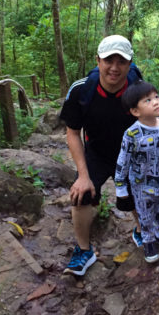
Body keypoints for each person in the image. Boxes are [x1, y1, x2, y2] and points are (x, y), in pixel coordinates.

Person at [60, 35, 146, 276]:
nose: (114, 68)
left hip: (130, 152)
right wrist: (83, 176)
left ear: (130, 64)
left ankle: (143, 232)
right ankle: (84, 250)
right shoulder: (82, 90)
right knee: (81, 195)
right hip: (96, 151)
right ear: (98, 61)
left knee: (140, 191)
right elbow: (73, 132)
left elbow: (154, 119)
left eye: (122, 61)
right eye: (109, 60)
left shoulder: (139, 88)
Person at [115, 81, 159, 263]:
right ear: (135, 111)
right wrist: (120, 186)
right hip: (140, 182)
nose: (155, 102)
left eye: (156, 97)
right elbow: (123, 160)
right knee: (145, 212)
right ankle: (148, 239)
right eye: (147, 100)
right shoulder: (132, 134)